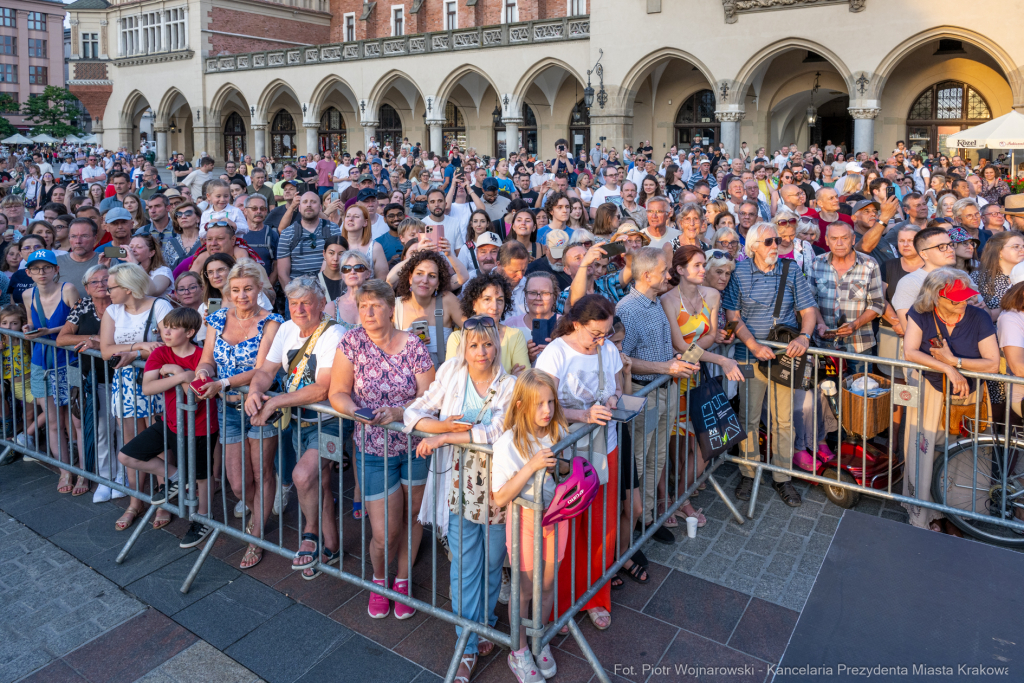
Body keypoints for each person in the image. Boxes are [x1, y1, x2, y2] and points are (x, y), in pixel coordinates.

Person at [404, 315, 516, 681]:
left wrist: (441, 439)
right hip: (457, 488)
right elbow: (413, 413)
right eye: (473, 345)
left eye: (487, 344)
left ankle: (483, 621)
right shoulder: (451, 372)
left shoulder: (511, 385)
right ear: (463, 349)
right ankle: (465, 644)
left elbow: (496, 432)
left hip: (498, 490)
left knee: (492, 561)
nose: (481, 352)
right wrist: (443, 427)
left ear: (497, 344)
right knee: (465, 565)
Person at [330, 279, 435, 609]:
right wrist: (355, 412)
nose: (369, 312)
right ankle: (379, 578)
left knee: (413, 516)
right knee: (384, 532)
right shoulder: (352, 343)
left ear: (392, 309)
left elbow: (429, 398)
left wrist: (399, 412)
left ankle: (402, 580)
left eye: (376, 305)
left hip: (414, 446)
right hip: (373, 449)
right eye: (363, 306)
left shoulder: (413, 345)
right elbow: (337, 392)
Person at [246, 276, 347, 578]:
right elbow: (266, 370)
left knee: (302, 476)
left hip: (329, 421)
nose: (299, 309)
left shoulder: (335, 332)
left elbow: (323, 388)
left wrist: (276, 402)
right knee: (320, 482)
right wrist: (254, 391)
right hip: (300, 420)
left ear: (320, 304)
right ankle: (332, 546)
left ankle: (310, 533)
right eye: (293, 303)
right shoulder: (287, 329)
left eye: (306, 302)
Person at [535, 294, 622, 631]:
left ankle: (596, 598)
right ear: (576, 324)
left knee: (602, 524)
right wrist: (582, 414)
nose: (601, 340)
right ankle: (561, 598)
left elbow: (616, 386)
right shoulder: (555, 353)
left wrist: (613, 398)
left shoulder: (608, 349)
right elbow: (541, 405)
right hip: (566, 452)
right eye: (595, 334)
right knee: (565, 527)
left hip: (605, 446)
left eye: (606, 333)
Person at [194, 260, 283, 566]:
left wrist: (223, 382)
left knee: (262, 472)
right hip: (228, 406)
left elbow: (262, 369)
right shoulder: (216, 319)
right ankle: (258, 509)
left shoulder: (271, 322)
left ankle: (256, 536)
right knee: (237, 482)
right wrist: (204, 375)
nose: (242, 295)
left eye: (248, 289)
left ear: (260, 288)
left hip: (260, 405)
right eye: (236, 290)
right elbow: (207, 359)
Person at [723, 222, 817, 508]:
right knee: (748, 417)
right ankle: (748, 473)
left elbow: (808, 311)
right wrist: (753, 345)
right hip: (749, 357)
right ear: (753, 246)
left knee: (784, 420)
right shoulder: (738, 272)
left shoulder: (790, 270)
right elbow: (732, 316)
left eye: (776, 240)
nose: (775, 245)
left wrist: (804, 336)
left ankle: (782, 477)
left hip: (784, 358)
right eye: (768, 242)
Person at [902, 269, 999, 532]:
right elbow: (909, 351)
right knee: (926, 449)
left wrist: (954, 361)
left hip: (970, 396)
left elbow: (992, 363)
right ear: (935, 297)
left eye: (965, 298)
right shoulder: (920, 312)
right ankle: (929, 514)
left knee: (966, 452)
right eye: (955, 300)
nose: (962, 304)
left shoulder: (978, 316)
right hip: (931, 392)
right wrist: (948, 369)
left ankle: (961, 515)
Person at [616, 247, 699, 542]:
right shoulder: (627, 309)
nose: (669, 275)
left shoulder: (654, 302)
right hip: (643, 393)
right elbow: (622, 360)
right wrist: (667, 367)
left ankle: (647, 520)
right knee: (640, 459)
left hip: (665, 390)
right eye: (664, 271)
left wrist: (680, 361)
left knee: (657, 457)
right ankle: (632, 523)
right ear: (647, 275)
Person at [118, 307, 219, 548]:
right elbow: (148, 387)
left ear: (190, 332)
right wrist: (183, 376)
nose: (167, 331)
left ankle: (204, 517)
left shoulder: (202, 356)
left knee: (203, 476)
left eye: (174, 328)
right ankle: (176, 476)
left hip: (201, 426)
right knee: (127, 455)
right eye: (165, 326)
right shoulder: (161, 352)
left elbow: (197, 397)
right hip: (170, 423)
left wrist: (181, 373)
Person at [491, 368, 568, 683]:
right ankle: (518, 649)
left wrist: (566, 468)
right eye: (539, 404)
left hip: (555, 516)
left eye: (550, 402)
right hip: (523, 520)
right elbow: (499, 496)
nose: (547, 410)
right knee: (523, 590)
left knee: (548, 584)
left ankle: (539, 637)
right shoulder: (507, 443)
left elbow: (558, 467)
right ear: (520, 404)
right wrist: (532, 466)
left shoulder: (555, 430)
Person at [100, 263, 174, 531]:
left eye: (111, 288)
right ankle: (135, 501)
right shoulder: (112, 311)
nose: (107, 293)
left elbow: (169, 346)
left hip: (155, 383)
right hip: (125, 384)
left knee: (161, 441)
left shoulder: (160, 307)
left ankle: (165, 499)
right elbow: (107, 350)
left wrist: (136, 355)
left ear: (128, 288)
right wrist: (139, 346)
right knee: (131, 442)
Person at [22, 249, 85, 496]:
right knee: (53, 420)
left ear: (56, 269)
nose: (41, 273)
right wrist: (29, 328)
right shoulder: (28, 294)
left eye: (46, 267)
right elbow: (30, 323)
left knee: (76, 420)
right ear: (28, 272)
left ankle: (83, 471)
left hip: (68, 362)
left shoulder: (68, 289)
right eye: (36, 269)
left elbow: (78, 322)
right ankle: (65, 470)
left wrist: (47, 332)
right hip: (40, 363)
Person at [56, 265, 120, 503]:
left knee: (123, 431)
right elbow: (63, 338)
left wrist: (100, 343)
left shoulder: (121, 305)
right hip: (94, 379)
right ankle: (105, 479)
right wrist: (92, 339)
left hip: (122, 378)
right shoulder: (82, 306)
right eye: (95, 282)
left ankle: (123, 480)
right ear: (86, 288)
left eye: (106, 280)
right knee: (102, 431)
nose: (102, 285)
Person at [809, 221, 885, 372]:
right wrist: (820, 323)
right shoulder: (817, 263)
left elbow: (877, 303)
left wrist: (854, 325)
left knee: (858, 392)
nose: (839, 243)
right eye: (834, 238)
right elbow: (810, 300)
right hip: (824, 345)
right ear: (826, 240)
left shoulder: (869, 264)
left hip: (859, 345)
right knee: (827, 390)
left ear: (853, 239)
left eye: (844, 238)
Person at [447, 271, 530, 375]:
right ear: (474, 304)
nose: (495, 307)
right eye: (487, 299)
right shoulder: (457, 338)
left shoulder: (515, 336)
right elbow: (452, 379)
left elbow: (524, 380)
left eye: (499, 300)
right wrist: (509, 378)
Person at [392, 250, 464, 365]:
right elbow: (383, 348)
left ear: (438, 283)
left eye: (432, 276)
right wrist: (405, 342)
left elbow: (473, 330)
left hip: (444, 376)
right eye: (419, 274)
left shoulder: (447, 301)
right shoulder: (396, 307)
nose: (424, 281)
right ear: (410, 278)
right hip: (407, 375)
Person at [277, 192, 343, 287]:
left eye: (313, 202)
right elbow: (283, 273)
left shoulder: (333, 229)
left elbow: (339, 261)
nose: (309, 205)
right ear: (299, 208)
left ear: (320, 208)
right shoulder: (287, 233)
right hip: (297, 289)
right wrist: (292, 296)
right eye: (305, 202)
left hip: (327, 287)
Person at [163, 201, 203, 269]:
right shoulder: (171, 244)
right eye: (179, 214)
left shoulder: (206, 240)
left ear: (198, 219)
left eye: (188, 213)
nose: (183, 217)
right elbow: (166, 269)